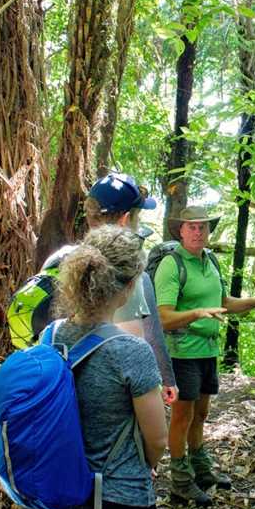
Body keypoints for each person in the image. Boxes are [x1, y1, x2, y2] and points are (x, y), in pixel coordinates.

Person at [50, 225, 167, 509]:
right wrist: (143, 465)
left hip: (66, 498)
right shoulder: (132, 352)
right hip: (121, 504)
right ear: (130, 285)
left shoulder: (51, 335)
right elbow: (158, 439)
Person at [153, 206, 255, 506]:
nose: (198, 231)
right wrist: (197, 313)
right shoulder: (172, 265)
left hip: (208, 350)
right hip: (182, 352)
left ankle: (202, 471)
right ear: (180, 231)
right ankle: (180, 482)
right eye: (192, 227)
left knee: (201, 414)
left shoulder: (210, 261)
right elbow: (163, 317)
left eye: (202, 226)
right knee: (182, 417)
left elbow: (223, 302)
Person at [84, 173, 178, 405]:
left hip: (64, 403)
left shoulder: (63, 260)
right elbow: (137, 349)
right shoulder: (130, 277)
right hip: (110, 405)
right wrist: (166, 380)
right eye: (138, 216)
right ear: (125, 219)